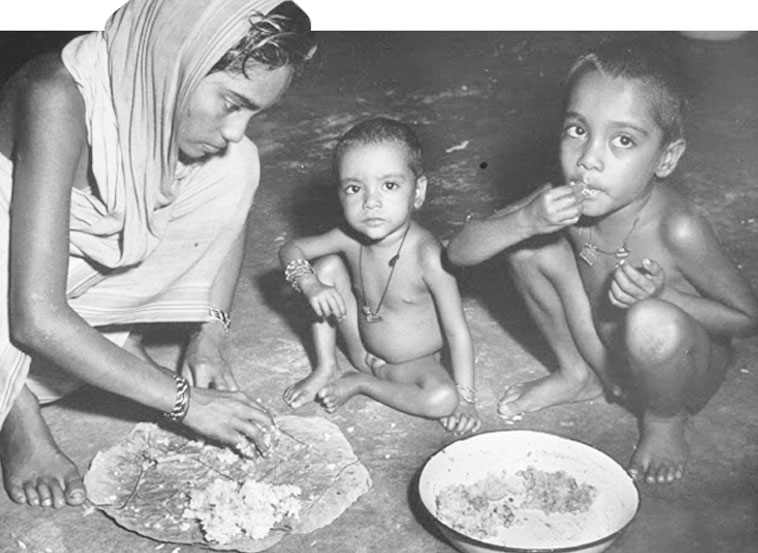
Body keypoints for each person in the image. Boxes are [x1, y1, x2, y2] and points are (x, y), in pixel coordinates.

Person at [0, 0, 316, 509]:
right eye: (231, 103)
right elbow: (35, 318)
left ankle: (113, 341)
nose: (236, 128)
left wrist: (210, 334)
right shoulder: (56, 95)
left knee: (234, 163)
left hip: (55, 279)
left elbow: (230, 212)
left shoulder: (153, 100)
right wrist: (186, 403)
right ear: (178, 61)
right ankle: (14, 405)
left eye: (253, 112)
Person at [447, 41, 758, 484]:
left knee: (651, 319)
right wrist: (525, 220)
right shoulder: (564, 197)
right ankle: (579, 373)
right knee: (527, 244)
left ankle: (665, 420)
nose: (589, 159)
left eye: (623, 140)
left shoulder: (677, 228)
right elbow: (458, 252)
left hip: (678, 370)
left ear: (666, 158)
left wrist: (663, 295)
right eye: (577, 130)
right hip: (608, 351)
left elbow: (747, 319)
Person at [279, 118, 482, 436]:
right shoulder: (348, 237)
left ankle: (362, 384)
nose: (370, 202)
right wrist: (310, 284)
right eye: (354, 188)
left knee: (443, 399)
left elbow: (458, 333)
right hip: (361, 350)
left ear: (418, 192)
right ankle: (327, 367)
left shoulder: (428, 255)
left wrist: (466, 399)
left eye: (389, 185)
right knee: (327, 267)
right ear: (340, 195)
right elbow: (291, 249)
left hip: (413, 365)